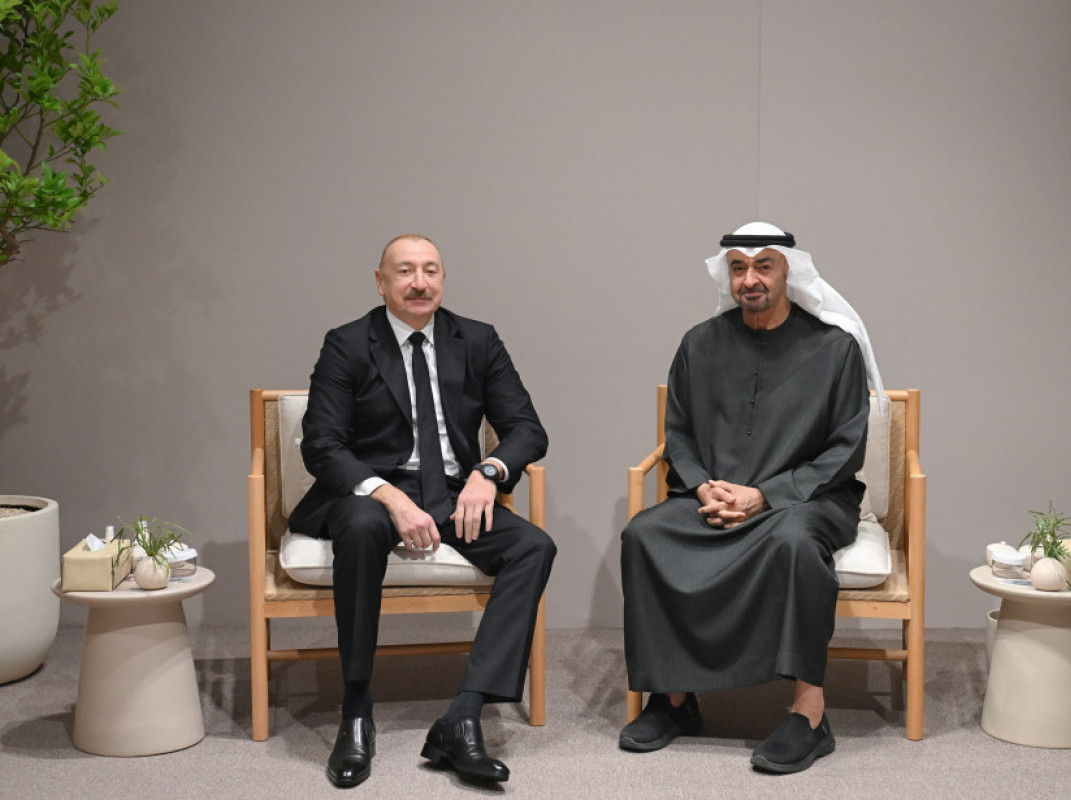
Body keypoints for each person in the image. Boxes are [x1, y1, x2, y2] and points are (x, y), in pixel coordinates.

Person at [619, 221, 886, 774]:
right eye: (738, 268)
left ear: (789, 271)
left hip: (809, 500)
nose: (750, 279)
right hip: (713, 495)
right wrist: (703, 486)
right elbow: (679, 433)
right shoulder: (699, 343)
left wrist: (766, 495)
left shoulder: (834, 348)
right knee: (644, 534)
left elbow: (845, 449)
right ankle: (673, 700)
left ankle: (809, 714)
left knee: (794, 543)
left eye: (764, 266)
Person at [290, 234, 555, 788]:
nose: (419, 282)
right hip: (368, 492)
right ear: (381, 281)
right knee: (362, 527)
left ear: (442, 279)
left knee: (533, 546)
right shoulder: (348, 343)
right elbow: (322, 444)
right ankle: (356, 711)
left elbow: (527, 429)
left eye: (430, 270)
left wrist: (488, 472)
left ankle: (463, 715)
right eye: (406, 271)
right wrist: (389, 495)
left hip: (453, 490)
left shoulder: (477, 339)